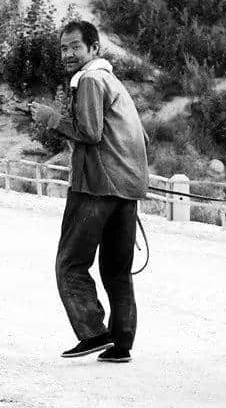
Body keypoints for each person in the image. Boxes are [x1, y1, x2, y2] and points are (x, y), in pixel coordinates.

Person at [30, 21, 149, 363]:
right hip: (127, 191)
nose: (67, 54)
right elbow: (143, 139)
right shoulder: (114, 81)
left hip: (94, 187)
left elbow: (90, 132)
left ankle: (94, 332)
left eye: (74, 47)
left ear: (94, 49)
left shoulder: (90, 79)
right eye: (63, 48)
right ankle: (121, 345)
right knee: (117, 270)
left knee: (69, 264)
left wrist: (50, 117)